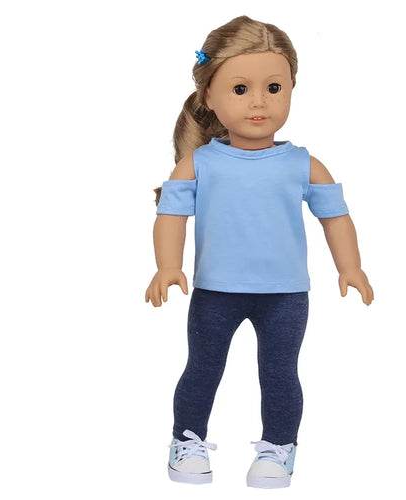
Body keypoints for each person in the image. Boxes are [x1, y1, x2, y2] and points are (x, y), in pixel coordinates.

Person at [145, 15, 374, 488]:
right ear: (208, 96)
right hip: (215, 291)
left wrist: (350, 266)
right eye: (240, 89)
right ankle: (187, 441)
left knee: (280, 373)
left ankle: (278, 448)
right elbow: (170, 216)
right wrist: (167, 266)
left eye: (273, 88)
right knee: (203, 369)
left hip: (285, 294)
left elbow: (336, 217)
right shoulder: (199, 163)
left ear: (291, 89)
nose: (258, 102)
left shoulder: (303, 164)